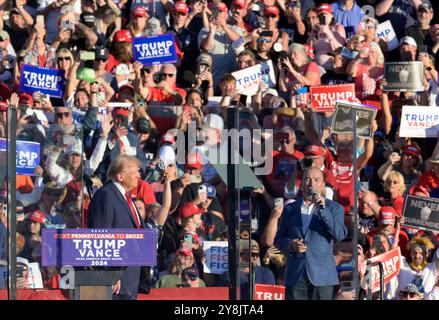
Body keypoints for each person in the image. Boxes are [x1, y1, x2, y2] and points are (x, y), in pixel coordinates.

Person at [274, 167, 347, 300]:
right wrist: (290, 245)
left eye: (316, 180)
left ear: (323, 185)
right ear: (301, 183)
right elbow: (278, 239)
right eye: (307, 179)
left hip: (322, 276)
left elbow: (339, 235)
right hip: (296, 275)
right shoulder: (290, 208)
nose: (311, 184)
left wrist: (324, 210)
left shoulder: (334, 208)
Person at [88, 154, 145, 300]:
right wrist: (109, 273)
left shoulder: (128, 198)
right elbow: (101, 235)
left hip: (129, 280)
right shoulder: (106, 195)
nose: (139, 176)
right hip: (115, 282)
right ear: (120, 176)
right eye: (135, 173)